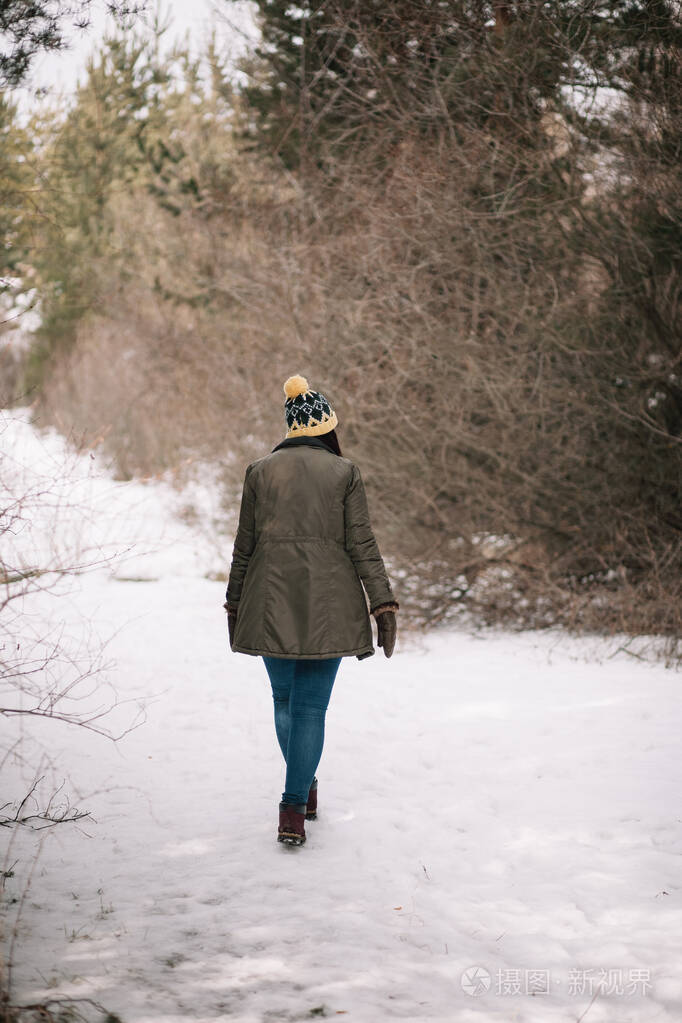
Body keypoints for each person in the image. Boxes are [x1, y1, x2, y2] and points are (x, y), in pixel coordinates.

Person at [224, 374, 399, 846]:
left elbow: (244, 546)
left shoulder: (259, 472)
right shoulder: (345, 473)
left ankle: (301, 791)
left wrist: (234, 602)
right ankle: (295, 803)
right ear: (327, 426)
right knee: (310, 709)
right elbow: (362, 542)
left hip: (268, 599)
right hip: (330, 603)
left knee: (285, 701)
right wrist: (382, 602)